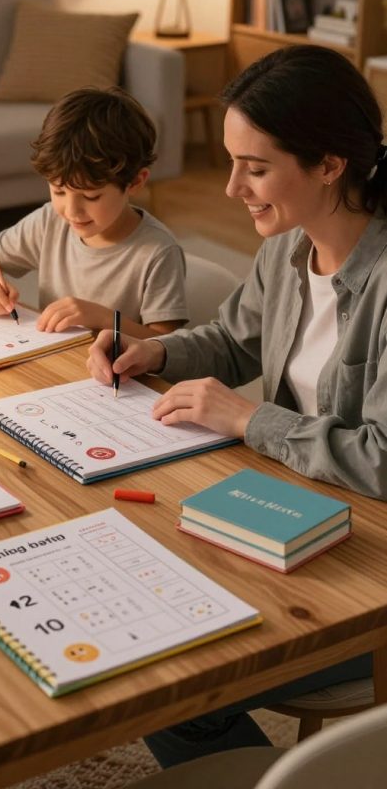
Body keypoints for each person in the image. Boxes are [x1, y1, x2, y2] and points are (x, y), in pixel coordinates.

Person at [87, 44, 387, 767]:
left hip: (370, 577)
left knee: (169, 675)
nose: (230, 188)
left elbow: (381, 458)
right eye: (230, 162)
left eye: (254, 168)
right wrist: (156, 352)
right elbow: (232, 339)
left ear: (327, 164)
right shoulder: (288, 249)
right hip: (303, 518)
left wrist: (247, 418)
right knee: (134, 608)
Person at [0, 86, 188, 338]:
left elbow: (167, 346)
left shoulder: (158, 252)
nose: (72, 211)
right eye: (59, 191)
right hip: (56, 365)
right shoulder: (49, 223)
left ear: (136, 183)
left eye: (90, 196)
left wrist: (103, 318)